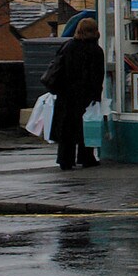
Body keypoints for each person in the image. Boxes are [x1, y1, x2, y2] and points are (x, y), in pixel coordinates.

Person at [41, 16, 106, 170]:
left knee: (66, 128)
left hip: (66, 93)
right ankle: (86, 157)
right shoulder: (96, 51)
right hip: (86, 95)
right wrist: (96, 96)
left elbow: (58, 68)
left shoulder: (68, 46)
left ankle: (65, 159)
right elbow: (97, 76)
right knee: (86, 126)